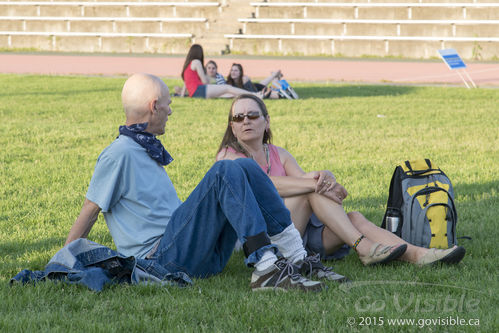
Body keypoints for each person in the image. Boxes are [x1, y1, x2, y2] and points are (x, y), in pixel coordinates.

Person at [65, 73, 349, 292]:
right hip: (161, 260)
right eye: (168, 105)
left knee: (244, 166)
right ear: (154, 106)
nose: (171, 111)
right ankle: (265, 268)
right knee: (226, 170)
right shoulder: (119, 154)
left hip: (194, 253)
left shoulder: (143, 148)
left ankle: (297, 258)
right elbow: (91, 209)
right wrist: (63, 259)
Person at [216, 94, 466, 267]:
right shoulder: (227, 158)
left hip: (298, 233)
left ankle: (420, 255)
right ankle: (363, 247)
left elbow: (308, 182)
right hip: (267, 241)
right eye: (238, 118)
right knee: (308, 192)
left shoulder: (278, 153)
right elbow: (269, 185)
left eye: (252, 115)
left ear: (266, 121)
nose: (245, 120)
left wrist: (327, 179)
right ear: (232, 126)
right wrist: (316, 184)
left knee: (354, 217)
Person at [180, 44, 268, 99]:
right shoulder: (197, 62)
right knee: (227, 88)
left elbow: (186, 82)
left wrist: (182, 95)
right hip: (200, 90)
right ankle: (255, 95)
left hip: (194, 93)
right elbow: (204, 81)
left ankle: (252, 96)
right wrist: (210, 80)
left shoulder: (187, 65)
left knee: (227, 93)